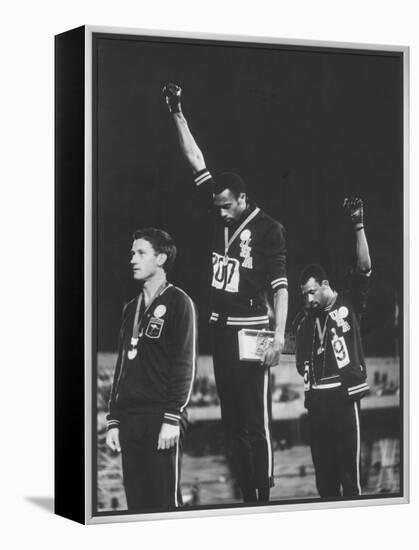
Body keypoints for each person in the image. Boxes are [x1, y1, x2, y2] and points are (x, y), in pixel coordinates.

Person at [162, 83, 288, 503]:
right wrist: (177, 112)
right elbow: (195, 159)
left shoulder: (269, 230)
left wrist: (281, 336)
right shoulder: (218, 209)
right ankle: (245, 496)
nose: (219, 212)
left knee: (257, 420)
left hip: (254, 331)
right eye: (216, 205)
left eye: (226, 206)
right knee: (231, 418)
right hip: (220, 328)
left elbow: (280, 288)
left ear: (243, 200)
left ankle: (263, 496)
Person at [106, 228, 197, 511]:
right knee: (136, 506)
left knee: (164, 506)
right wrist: (114, 420)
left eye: (140, 253)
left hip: (162, 419)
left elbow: (185, 364)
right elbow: (121, 366)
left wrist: (172, 417)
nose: (132, 259)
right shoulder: (130, 309)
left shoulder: (179, 302)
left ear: (160, 258)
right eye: (132, 253)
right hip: (131, 421)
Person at [296, 198, 371, 498]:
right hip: (316, 402)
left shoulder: (349, 301)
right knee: (324, 483)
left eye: (312, 292)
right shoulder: (306, 319)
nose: (309, 299)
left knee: (349, 479)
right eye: (305, 295)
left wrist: (358, 225)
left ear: (325, 284)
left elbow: (364, 267)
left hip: (343, 396)